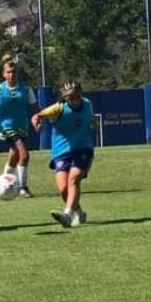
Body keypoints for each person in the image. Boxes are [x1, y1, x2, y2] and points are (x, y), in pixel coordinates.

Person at [31, 80, 94, 228]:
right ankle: (78, 211)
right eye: (70, 97)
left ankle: (67, 215)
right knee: (63, 189)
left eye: (77, 96)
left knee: (74, 179)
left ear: (81, 94)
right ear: (64, 97)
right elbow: (38, 115)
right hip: (61, 151)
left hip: (83, 148)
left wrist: (92, 125)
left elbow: (90, 120)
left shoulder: (87, 104)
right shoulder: (58, 108)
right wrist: (36, 121)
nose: (75, 100)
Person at [0, 55, 38, 198]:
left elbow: (34, 106)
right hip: (7, 127)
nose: (11, 74)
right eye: (8, 72)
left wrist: (37, 118)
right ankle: (22, 187)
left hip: (22, 126)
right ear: (3, 74)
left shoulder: (26, 89)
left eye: (13, 72)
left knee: (14, 156)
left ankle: (4, 183)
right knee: (24, 155)